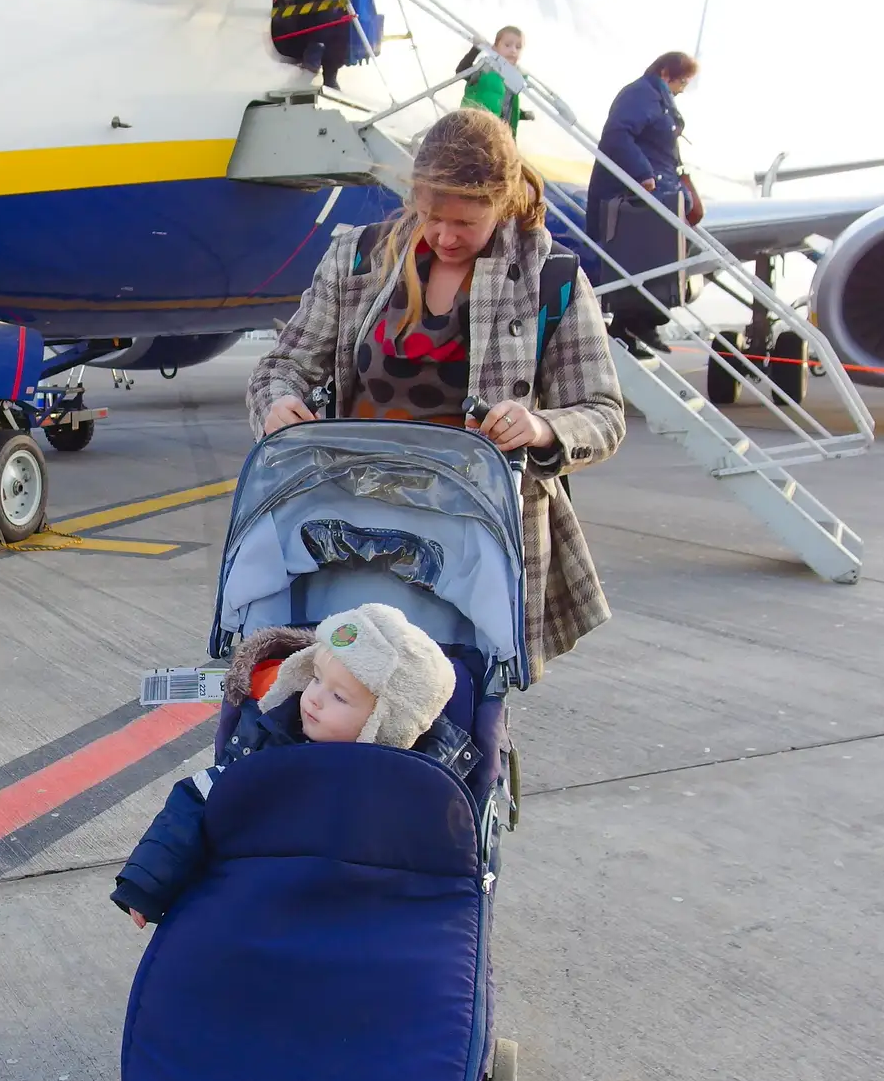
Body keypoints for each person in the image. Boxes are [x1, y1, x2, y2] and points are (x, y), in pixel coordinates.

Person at [247, 106, 624, 682]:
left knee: (458, 689)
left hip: (476, 538)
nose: (445, 236)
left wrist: (542, 428)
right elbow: (282, 367)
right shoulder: (357, 259)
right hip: (352, 527)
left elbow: (603, 414)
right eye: (430, 217)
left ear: (503, 202)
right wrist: (277, 404)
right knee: (346, 680)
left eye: (466, 224)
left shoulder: (554, 280)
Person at [111, 605, 458, 926]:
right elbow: (195, 801)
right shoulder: (267, 741)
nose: (315, 698)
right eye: (316, 678)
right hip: (255, 889)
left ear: (383, 726)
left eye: (339, 697)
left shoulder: (413, 791)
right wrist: (147, 880)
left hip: (352, 913)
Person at [584, 51, 701, 357]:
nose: (683, 89)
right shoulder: (641, 95)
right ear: (666, 73)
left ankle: (633, 322)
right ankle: (639, 320)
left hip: (656, 192)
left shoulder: (655, 99)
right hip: (638, 194)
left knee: (667, 255)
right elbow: (617, 134)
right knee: (655, 255)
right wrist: (643, 173)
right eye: (682, 81)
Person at [458, 25, 531, 139]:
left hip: (500, 135)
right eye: (507, 45)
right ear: (495, 48)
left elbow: (506, 104)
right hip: (474, 128)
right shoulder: (487, 67)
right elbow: (462, 71)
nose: (513, 50)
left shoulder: (516, 79)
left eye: (518, 47)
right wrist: (476, 49)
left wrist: (521, 114)